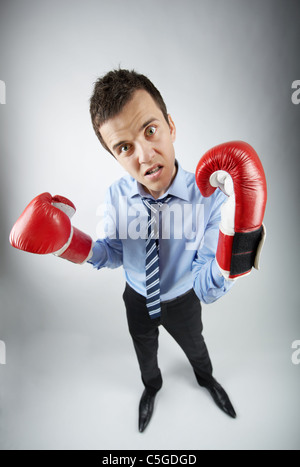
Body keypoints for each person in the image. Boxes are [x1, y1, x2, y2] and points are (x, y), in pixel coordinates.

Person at [10, 69, 267, 433]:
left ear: (170, 125)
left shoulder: (209, 196)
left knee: (197, 349)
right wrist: (68, 244)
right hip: (136, 296)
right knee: (145, 354)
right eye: (124, 147)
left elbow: (208, 288)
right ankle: (152, 389)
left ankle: (207, 380)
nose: (145, 157)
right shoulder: (117, 195)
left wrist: (237, 238)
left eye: (150, 130)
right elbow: (113, 252)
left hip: (183, 298)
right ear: (115, 156)